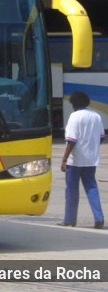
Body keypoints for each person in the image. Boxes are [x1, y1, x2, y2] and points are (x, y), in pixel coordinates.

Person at [59, 91, 105, 229]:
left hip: (75, 160)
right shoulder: (96, 116)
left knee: (72, 189)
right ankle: (99, 217)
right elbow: (102, 136)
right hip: (91, 160)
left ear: (73, 104)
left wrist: (64, 159)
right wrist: (91, 145)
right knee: (91, 187)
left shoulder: (74, 117)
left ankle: (70, 219)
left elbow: (71, 140)